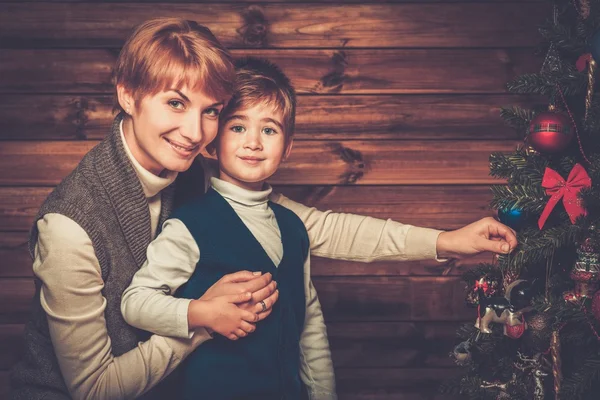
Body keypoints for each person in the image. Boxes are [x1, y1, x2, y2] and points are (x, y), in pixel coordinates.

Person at [10, 17, 517, 400]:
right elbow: (94, 388)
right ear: (127, 95)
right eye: (175, 103)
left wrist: (447, 240)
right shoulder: (70, 226)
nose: (195, 131)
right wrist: (206, 320)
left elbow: (314, 227)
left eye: (210, 111)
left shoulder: (192, 168)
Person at [121, 57, 338, 399]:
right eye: (237, 127)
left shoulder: (294, 228)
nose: (253, 142)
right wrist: (201, 313)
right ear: (211, 143)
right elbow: (135, 303)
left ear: (288, 146)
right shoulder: (189, 225)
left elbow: (309, 327)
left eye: (269, 129)